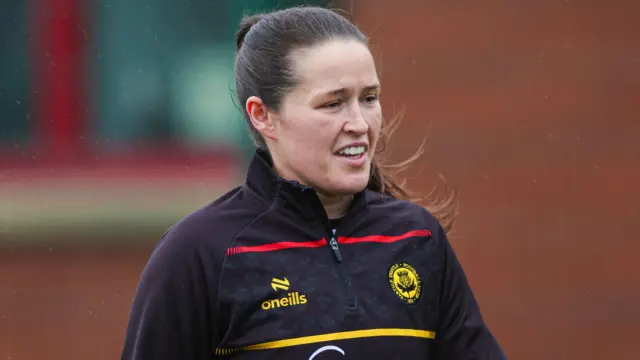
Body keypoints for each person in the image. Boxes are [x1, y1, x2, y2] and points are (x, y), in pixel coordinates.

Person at [120, 5, 506, 360]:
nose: (358, 123)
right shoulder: (198, 253)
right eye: (332, 103)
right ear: (263, 116)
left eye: (369, 98)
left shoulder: (418, 240)